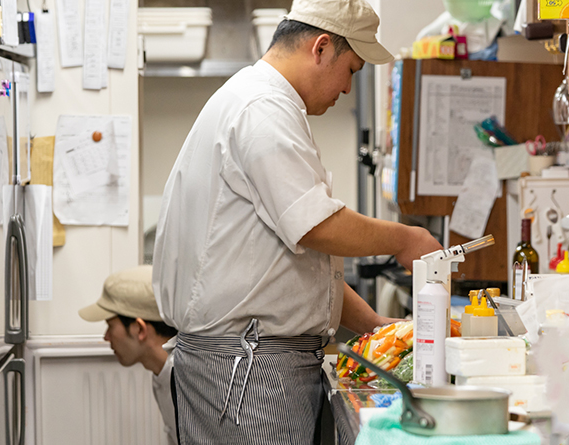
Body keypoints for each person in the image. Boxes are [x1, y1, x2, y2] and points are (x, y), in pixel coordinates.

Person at [152, 0, 443, 442]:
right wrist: (405, 238)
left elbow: (301, 263)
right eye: (352, 69)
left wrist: (379, 329)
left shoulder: (261, 102)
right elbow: (316, 226)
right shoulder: (262, 109)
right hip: (249, 371)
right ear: (321, 48)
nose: (348, 88)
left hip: (252, 363)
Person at [78, 265, 179, 444]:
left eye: (110, 326)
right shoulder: (161, 372)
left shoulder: (187, 381)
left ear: (139, 329)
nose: (106, 337)